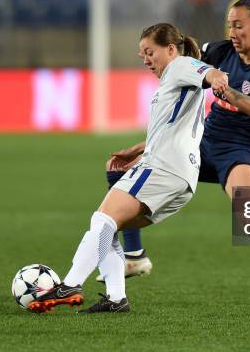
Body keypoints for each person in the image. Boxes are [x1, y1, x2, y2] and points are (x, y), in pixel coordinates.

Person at [104, 0, 250, 308]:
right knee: (120, 171)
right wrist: (144, 146)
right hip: (201, 143)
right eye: (230, 25)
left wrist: (230, 94)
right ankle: (134, 255)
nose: (233, 32)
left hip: (240, 151)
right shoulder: (220, 51)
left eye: (238, 25)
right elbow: (181, 67)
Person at [28, 23, 228, 313]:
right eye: (141, 55)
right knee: (110, 226)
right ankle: (116, 299)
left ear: (170, 49)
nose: (146, 59)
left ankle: (71, 282)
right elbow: (173, 128)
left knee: (102, 221)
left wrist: (217, 76)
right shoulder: (174, 78)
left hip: (163, 168)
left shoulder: (180, 66)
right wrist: (140, 148)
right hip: (180, 176)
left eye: (150, 52)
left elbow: (208, 73)